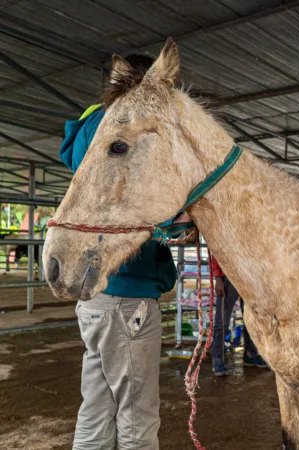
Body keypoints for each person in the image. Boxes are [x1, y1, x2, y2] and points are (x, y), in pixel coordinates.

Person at [60, 54, 178, 450]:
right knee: (137, 415)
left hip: (94, 298)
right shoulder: (126, 129)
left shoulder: (89, 132)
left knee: (94, 409)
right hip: (129, 295)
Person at [210, 255, 268, 376]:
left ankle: (251, 355)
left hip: (250, 276)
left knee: (251, 319)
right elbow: (216, 250)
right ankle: (218, 361)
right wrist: (218, 278)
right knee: (222, 321)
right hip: (229, 275)